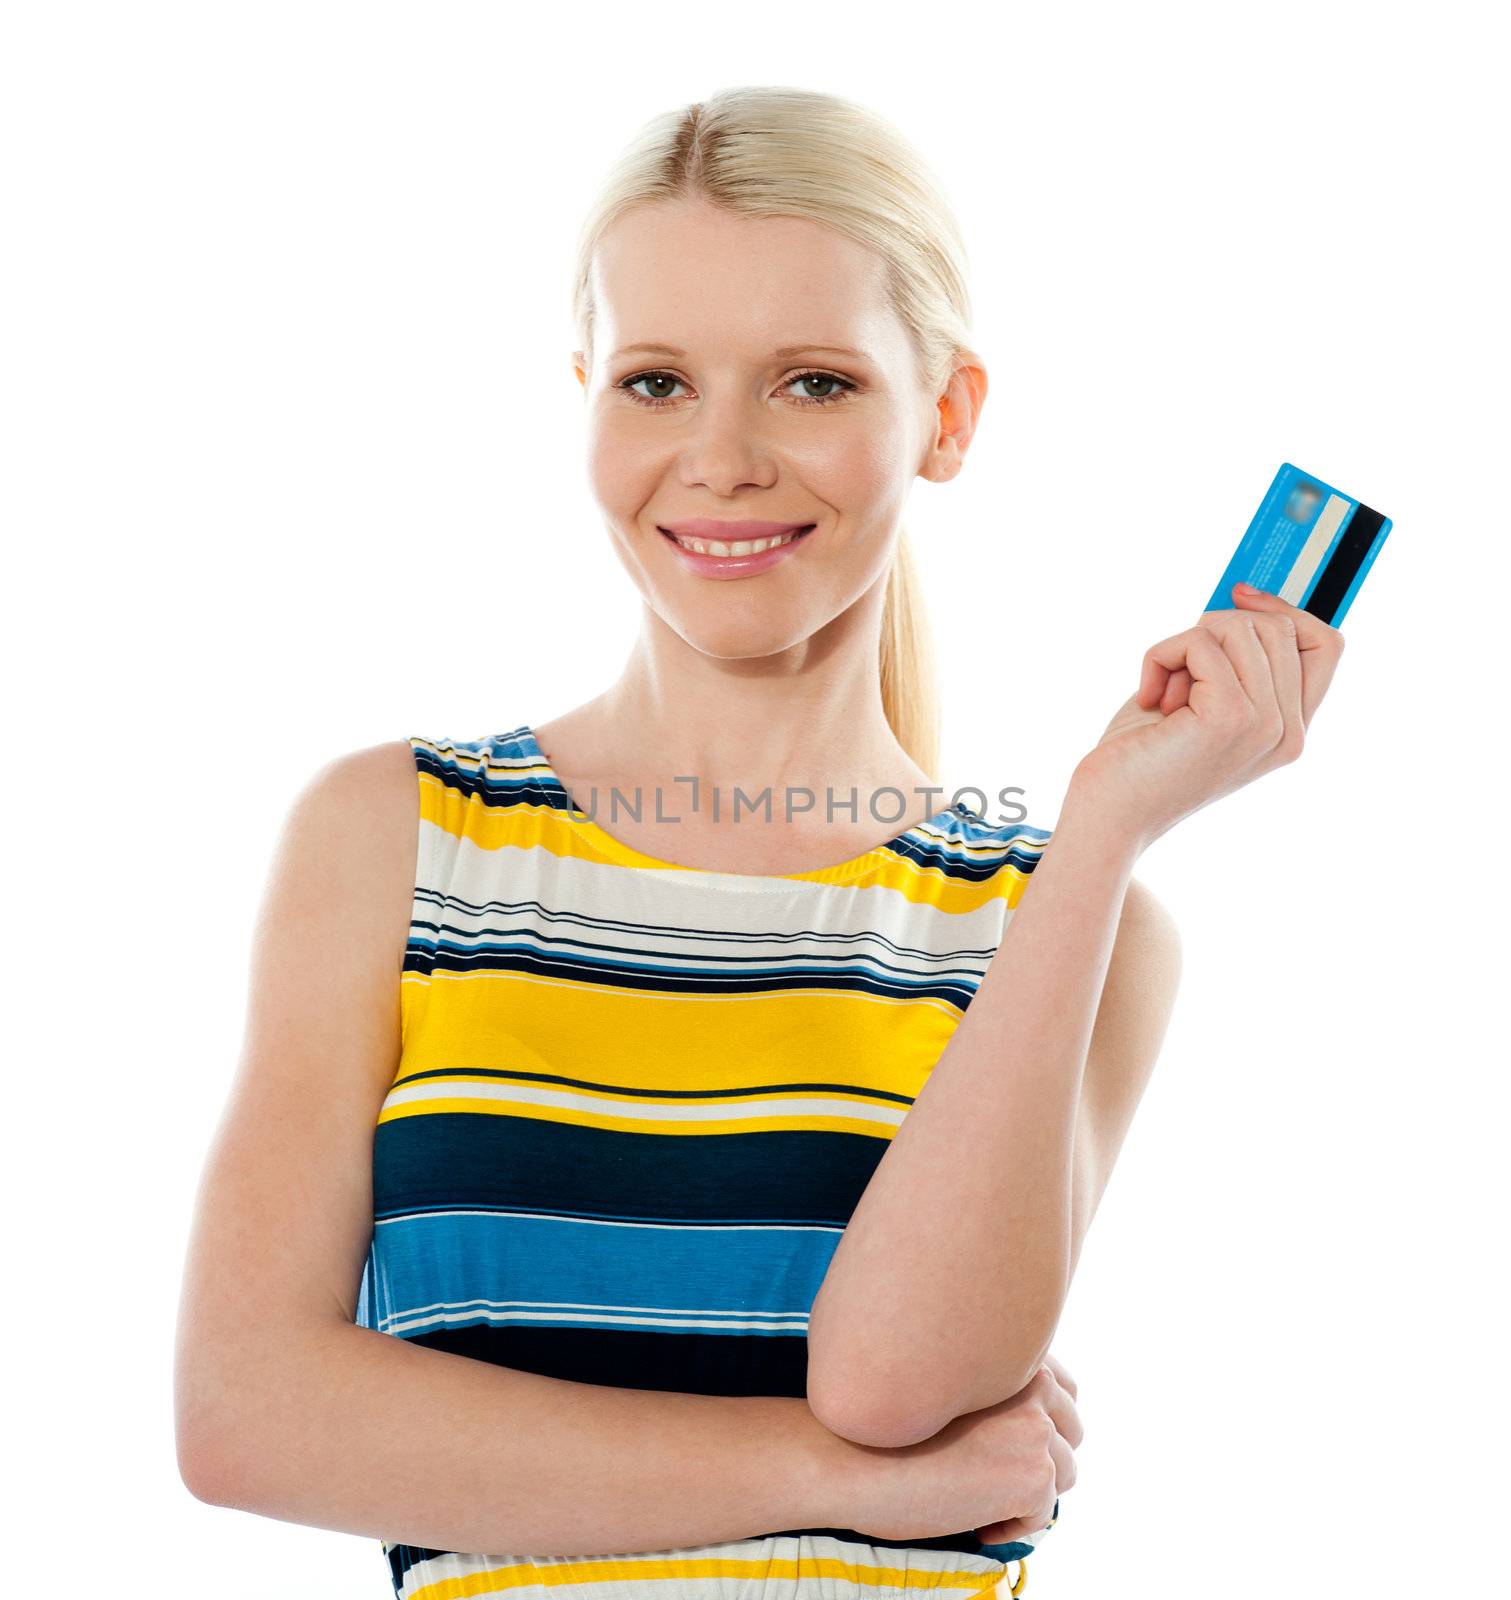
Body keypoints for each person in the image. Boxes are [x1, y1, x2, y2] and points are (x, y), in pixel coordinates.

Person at [174, 85, 1344, 1600]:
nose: (721, 460)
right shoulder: (392, 840)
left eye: (810, 383)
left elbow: (892, 1381)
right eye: (656, 383)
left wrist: (1102, 831)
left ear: (945, 416)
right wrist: (828, 1482)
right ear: (585, 394)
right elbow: (245, 1419)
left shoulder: (1066, 916)